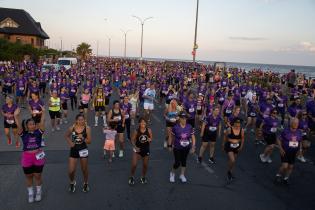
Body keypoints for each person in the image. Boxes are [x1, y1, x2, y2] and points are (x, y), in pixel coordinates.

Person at [14, 104, 45, 203]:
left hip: (38, 156)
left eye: (33, 124)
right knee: (29, 176)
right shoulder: (24, 134)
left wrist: (43, 112)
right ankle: (31, 194)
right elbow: (18, 126)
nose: (32, 125)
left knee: (38, 176)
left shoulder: (39, 132)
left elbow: (42, 122)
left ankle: (39, 192)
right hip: (27, 157)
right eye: (30, 124)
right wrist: (16, 116)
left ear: (35, 125)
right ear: (27, 126)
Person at [65, 114, 92, 193]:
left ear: (84, 120)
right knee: (71, 171)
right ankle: (72, 182)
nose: (81, 121)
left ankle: (86, 183)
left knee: (84, 169)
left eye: (82, 119)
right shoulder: (71, 128)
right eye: (79, 120)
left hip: (83, 149)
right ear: (76, 120)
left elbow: (89, 141)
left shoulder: (87, 128)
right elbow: (66, 136)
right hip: (74, 150)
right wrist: (70, 143)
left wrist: (83, 138)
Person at [168, 111, 196, 183]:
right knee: (177, 162)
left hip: (186, 147)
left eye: (185, 118)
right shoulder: (175, 127)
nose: (184, 120)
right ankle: (172, 173)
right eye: (182, 118)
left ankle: (182, 175)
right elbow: (171, 137)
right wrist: (170, 145)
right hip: (177, 147)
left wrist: (193, 147)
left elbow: (193, 137)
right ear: (179, 118)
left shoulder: (189, 127)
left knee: (184, 161)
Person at [274, 118, 302, 185]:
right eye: (295, 123)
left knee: (291, 167)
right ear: (291, 123)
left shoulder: (299, 132)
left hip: (294, 152)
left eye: (297, 123)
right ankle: (278, 175)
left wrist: (300, 150)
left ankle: (286, 178)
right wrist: (280, 148)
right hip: (285, 151)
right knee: (285, 166)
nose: (296, 125)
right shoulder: (286, 131)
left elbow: (300, 141)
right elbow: (278, 139)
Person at [128, 118, 153, 185]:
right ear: (139, 123)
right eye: (142, 122)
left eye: (144, 122)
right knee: (134, 165)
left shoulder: (149, 130)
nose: (143, 123)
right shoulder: (136, 131)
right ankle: (132, 177)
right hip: (137, 150)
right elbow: (132, 140)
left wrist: (150, 140)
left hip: (145, 149)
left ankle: (143, 177)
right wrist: (135, 147)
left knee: (145, 165)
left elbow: (151, 139)